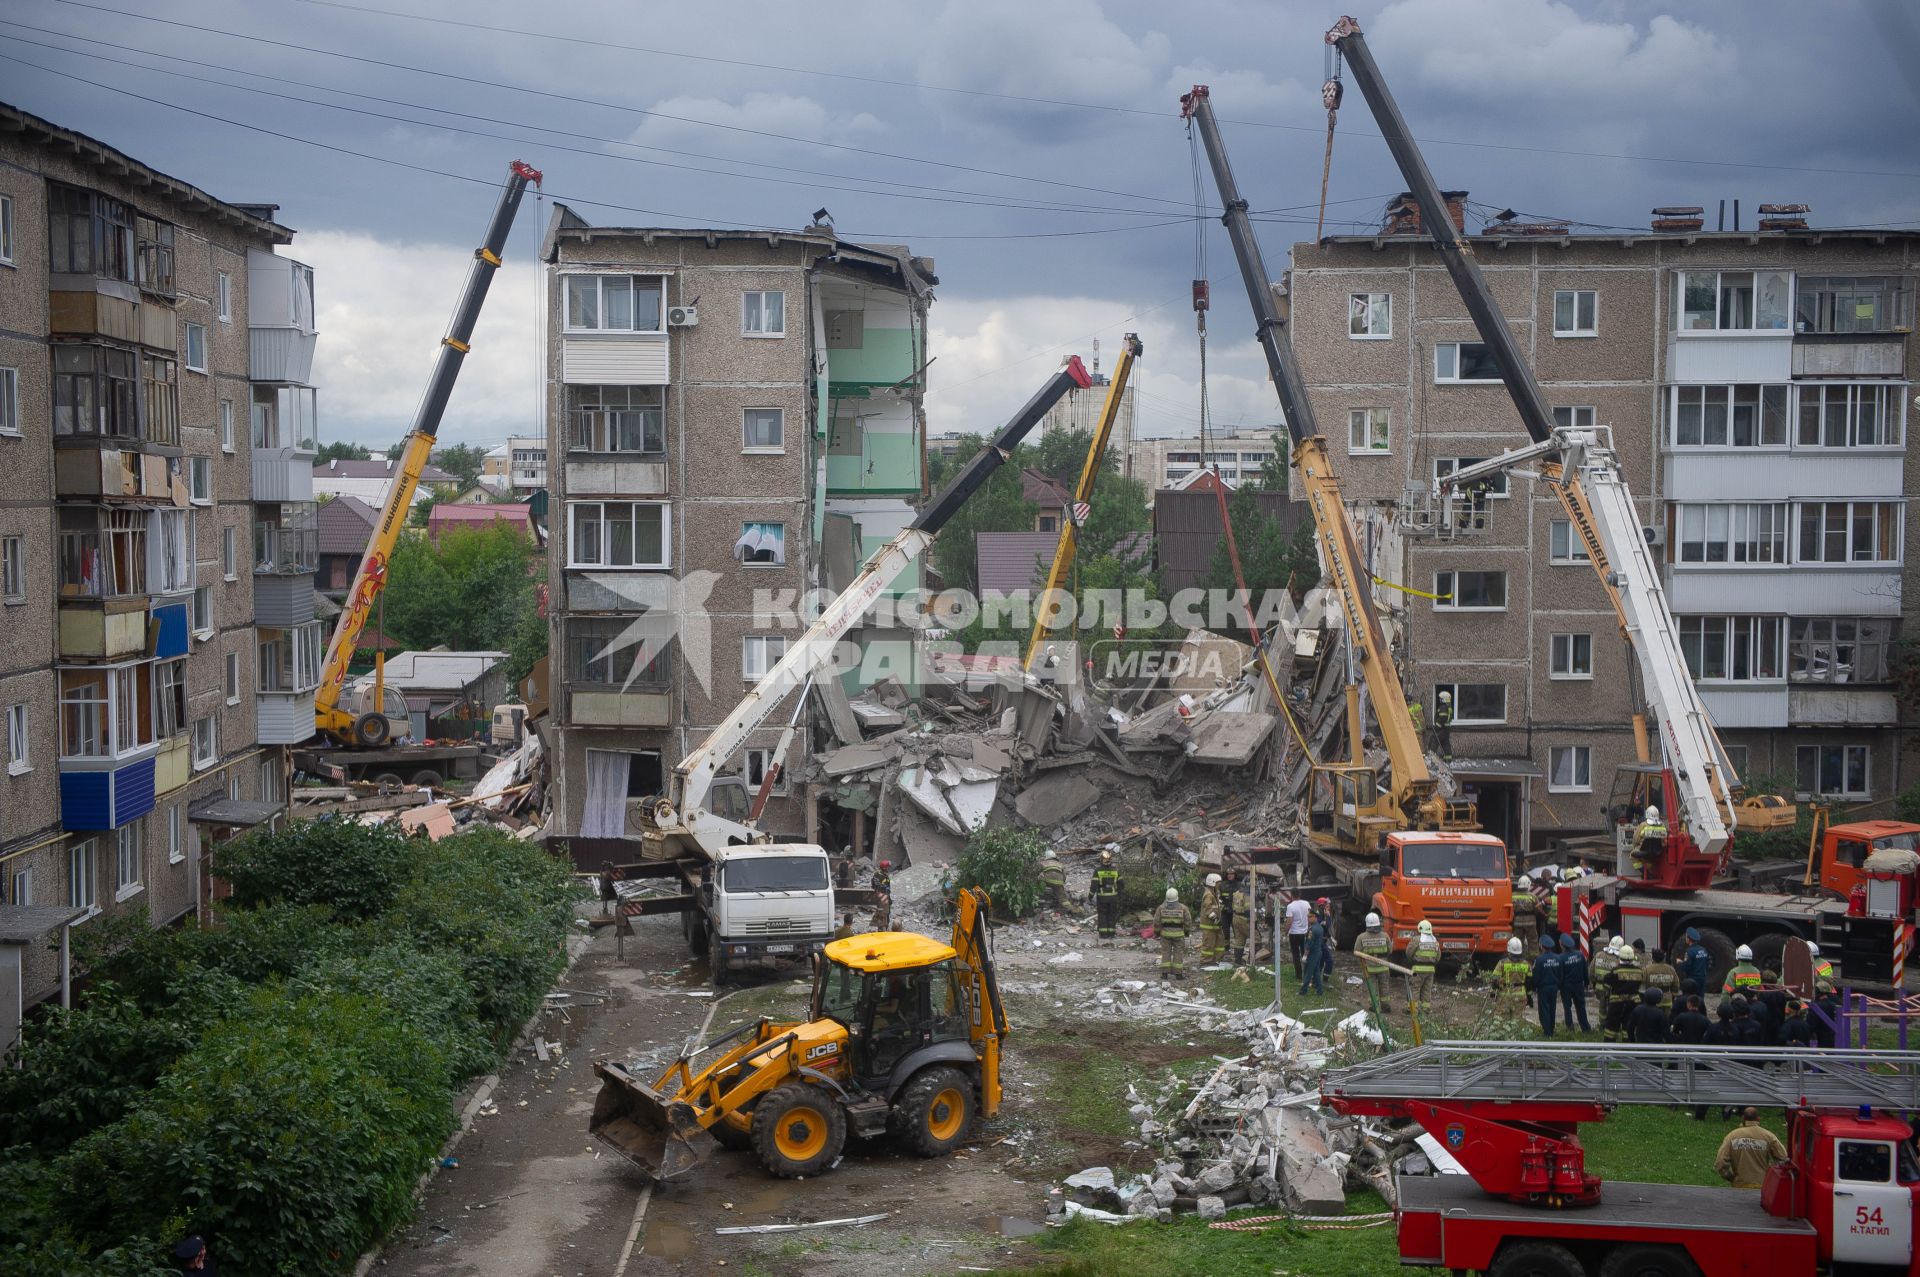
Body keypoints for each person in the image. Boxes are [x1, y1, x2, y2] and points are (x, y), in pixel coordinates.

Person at [1716, 1108, 1787, 1190]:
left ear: (1743, 1118)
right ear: (1758, 1119)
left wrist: (1731, 1178)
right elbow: (1783, 1158)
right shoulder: (1768, 1136)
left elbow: (1720, 1163)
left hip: (1740, 1186)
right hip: (1762, 1186)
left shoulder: (1732, 1136)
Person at [1603, 938, 1643, 1043]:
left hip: (1616, 1004)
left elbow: (1606, 986)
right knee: (1628, 1025)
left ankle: (1609, 1047)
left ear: (1620, 956)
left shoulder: (1615, 971)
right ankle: (1627, 1047)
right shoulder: (1639, 972)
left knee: (1611, 1027)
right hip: (1633, 1003)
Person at [1556, 932, 1593, 1033]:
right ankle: (1585, 1028)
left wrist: (1559, 986)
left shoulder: (1561, 958)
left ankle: (1570, 1028)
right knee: (1581, 1006)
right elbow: (1585, 971)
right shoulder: (1580, 955)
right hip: (1578, 985)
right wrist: (1586, 983)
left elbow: (1560, 975)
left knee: (1567, 1008)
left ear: (1562, 945)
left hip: (1566, 987)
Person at [1355, 912, 1392, 1011]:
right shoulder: (1385, 936)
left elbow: (1357, 952)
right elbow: (1389, 950)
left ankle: (1374, 1006)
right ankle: (1385, 1006)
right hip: (1383, 966)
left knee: (1372, 987)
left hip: (1369, 967)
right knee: (1384, 986)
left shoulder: (1361, 937)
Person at [1156, 887, 1192, 979]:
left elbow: (1156, 922)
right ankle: (1178, 974)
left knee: (1165, 953)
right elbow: (1188, 922)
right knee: (1178, 953)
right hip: (1179, 935)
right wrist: (1187, 932)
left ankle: (1164, 974)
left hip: (1165, 935)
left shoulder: (1161, 908)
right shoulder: (1183, 908)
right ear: (1177, 897)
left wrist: (1157, 932)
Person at [1407, 918, 1441, 1014]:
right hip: (1430, 971)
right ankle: (1425, 1009)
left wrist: (1412, 960)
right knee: (1427, 989)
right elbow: (1438, 956)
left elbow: (1409, 952)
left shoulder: (1417, 940)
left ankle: (1413, 1009)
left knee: (1415, 988)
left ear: (1419, 929)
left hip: (1417, 969)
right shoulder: (1435, 941)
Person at [1532, 934, 1562, 1036]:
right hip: (1554, 987)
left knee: (1544, 1009)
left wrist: (1534, 987)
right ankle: (1552, 1029)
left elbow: (1536, 975)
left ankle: (1547, 1032)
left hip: (1543, 988)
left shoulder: (1539, 960)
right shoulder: (1558, 958)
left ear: (1541, 946)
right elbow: (1560, 973)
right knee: (1552, 1008)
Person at [1495, 936, 1531, 1017]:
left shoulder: (1502, 963)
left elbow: (1495, 980)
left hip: (1505, 996)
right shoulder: (1526, 964)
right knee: (1517, 1023)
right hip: (1520, 996)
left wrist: (1495, 992)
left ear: (1509, 949)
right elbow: (1530, 982)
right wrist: (1528, 996)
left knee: (1502, 1022)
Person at [1092, 849, 1123, 941]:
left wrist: (1090, 896)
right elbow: (1121, 884)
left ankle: (1103, 934)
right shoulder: (1115, 870)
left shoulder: (1098, 871)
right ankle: (1111, 933)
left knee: (1102, 914)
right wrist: (1120, 896)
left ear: (1101, 860)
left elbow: (1094, 885)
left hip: (1102, 897)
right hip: (1113, 897)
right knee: (1112, 914)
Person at [1300, 904, 1329, 996]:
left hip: (1312, 954)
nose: (1308, 918)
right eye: (1308, 916)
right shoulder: (1319, 927)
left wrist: (1305, 955)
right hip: (1318, 952)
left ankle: (1303, 991)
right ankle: (1320, 991)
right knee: (1316, 973)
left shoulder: (1312, 930)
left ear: (1315, 917)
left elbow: (1309, 944)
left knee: (1308, 972)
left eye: (1310, 917)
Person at [1632, 804, 1668, 876]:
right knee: (1649, 860)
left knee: (1633, 855)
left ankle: (1645, 873)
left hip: (1644, 851)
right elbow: (1664, 840)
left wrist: (1635, 846)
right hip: (1658, 852)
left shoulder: (1643, 825)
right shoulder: (1663, 825)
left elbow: (1635, 840)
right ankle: (1649, 871)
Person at [1283, 892, 1312, 977]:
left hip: (1294, 934)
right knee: (1305, 954)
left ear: (1291, 896)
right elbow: (1310, 916)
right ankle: (1307, 973)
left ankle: (1298, 975)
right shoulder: (1306, 903)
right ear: (1300, 895)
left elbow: (1289, 922)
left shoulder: (1290, 906)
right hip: (1305, 933)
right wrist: (1309, 927)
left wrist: (1285, 933)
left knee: (1295, 954)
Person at [1199, 873, 1224, 961]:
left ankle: (1217, 959)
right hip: (1209, 925)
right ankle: (1206, 961)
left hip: (1215, 925)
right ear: (1212, 883)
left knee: (1219, 943)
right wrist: (1215, 919)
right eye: (1218, 883)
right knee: (1208, 944)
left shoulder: (1214, 893)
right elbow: (1207, 909)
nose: (1219, 885)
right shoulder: (1208, 894)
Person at [1678, 928, 1711, 994]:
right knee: (1701, 996)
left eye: (1686, 937)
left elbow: (1687, 966)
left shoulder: (1689, 951)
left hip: (1693, 979)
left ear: (1688, 939)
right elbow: (1707, 963)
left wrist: (1680, 963)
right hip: (1702, 978)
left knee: (1692, 998)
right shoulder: (1703, 949)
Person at [1511, 874, 1539, 948]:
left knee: (1517, 942)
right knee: (1533, 940)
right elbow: (1537, 909)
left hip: (1517, 923)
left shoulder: (1512, 896)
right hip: (1531, 923)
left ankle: (1518, 956)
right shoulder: (1532, 896)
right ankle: (1533, 957)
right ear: (1528, 885)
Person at [1228, 872, 1251, 961]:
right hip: (1244, 919)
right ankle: (1252, 960)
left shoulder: (1237, 893)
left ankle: (1237, 960)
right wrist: (1253, 922)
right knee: (1257, 939)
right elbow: (1248, 909)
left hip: (1236, 918)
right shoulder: (1247, 894)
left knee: (1239, 940)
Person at [1432, 690, 1454, 762]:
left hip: (1442, 728)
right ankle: (1448, 758)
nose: (1440, 700)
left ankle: (1431, 756)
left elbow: (1443, 718)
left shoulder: (1443, 707)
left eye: (1441, 698)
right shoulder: (1448, 707)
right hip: (1446, 728)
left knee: (1434, 740)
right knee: (1445, 743)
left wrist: (1437, 726)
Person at [872, 859, 894, 931]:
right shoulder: (884, 877)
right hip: (884, 898)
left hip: (877, 897)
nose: (889, 869)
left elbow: (873, 885)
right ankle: (884, 929)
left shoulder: (876, 874)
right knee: (885, 914)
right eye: (888, 867)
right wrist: (889, 899)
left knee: (879, 911)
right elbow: (887, 890)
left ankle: (879, 928)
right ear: (885, 868)